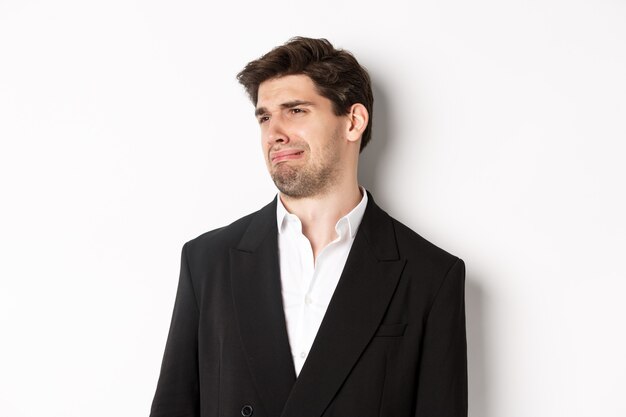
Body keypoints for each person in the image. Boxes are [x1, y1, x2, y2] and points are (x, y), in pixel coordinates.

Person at [150, 37, 467, 417]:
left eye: (295, 110)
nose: (274, 133)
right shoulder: (207, 262)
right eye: (265, 117)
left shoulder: (429, 275)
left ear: (353, 121)